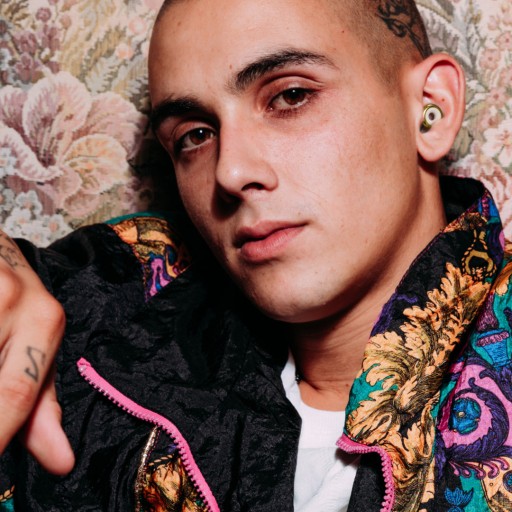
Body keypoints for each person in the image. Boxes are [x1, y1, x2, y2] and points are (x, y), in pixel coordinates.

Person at [1, 0, 511, 510]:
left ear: (430, 109)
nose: (229, 172)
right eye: (195, 135)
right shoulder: (122, 295)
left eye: (290, 96)